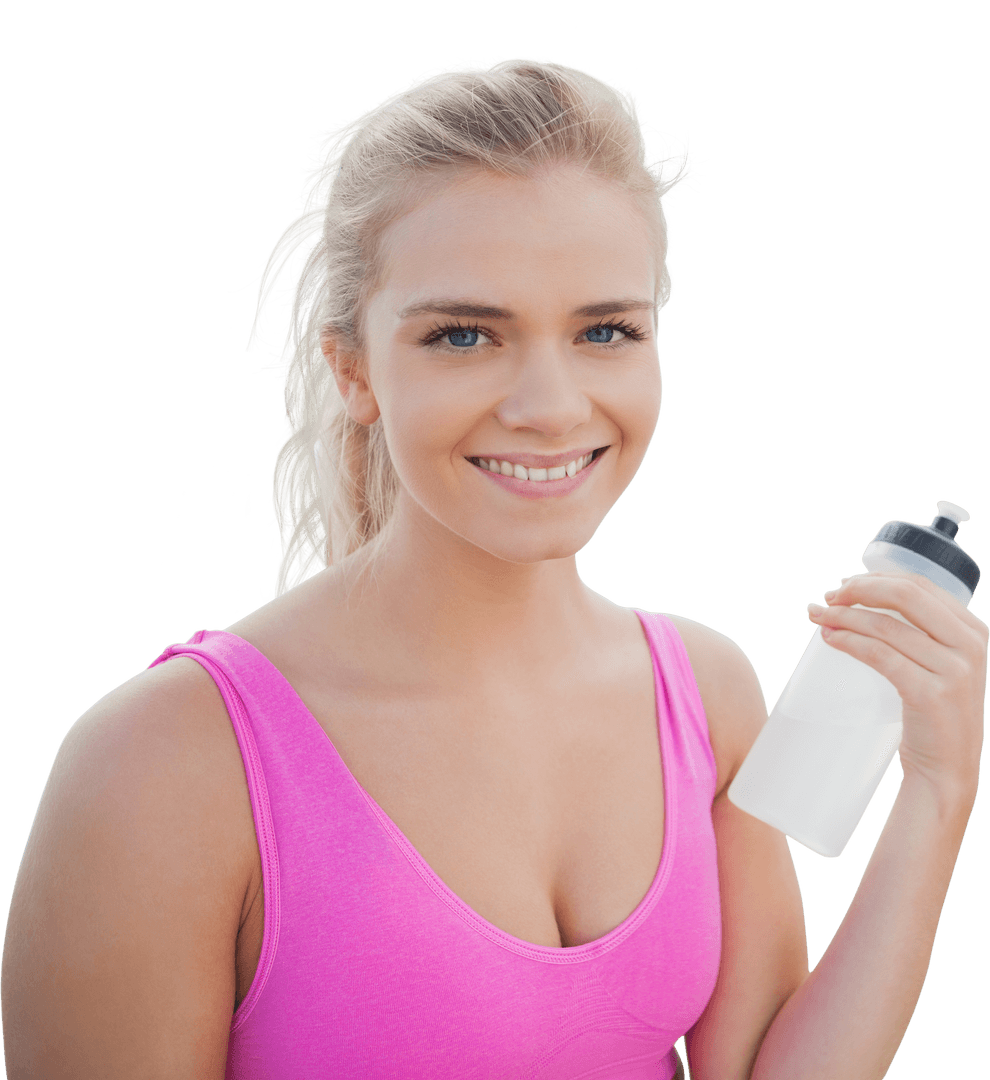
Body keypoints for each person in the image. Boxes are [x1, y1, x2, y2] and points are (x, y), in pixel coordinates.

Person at [1, 56, 985, 1080]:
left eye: (606, 330)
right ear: (354, 369)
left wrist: (937, 789)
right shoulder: (160, 767)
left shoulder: (705, 690)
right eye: (464, 335)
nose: (551, 406)